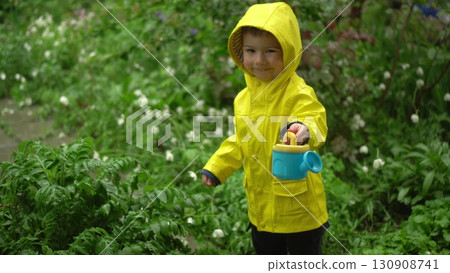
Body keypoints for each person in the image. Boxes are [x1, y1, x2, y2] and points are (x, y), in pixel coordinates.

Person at [200, 2, 329, 255]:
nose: (259, 60)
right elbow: (240, 139)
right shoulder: (244, 98)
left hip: (299, 210)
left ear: (289, 51)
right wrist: (218, 166)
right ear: (240, 52)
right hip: (260, 210)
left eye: (270, 51)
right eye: (251, 50)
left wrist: (304, 128)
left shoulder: (296, 92)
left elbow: (314, 117)